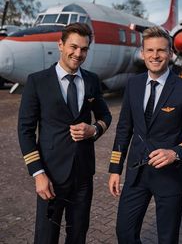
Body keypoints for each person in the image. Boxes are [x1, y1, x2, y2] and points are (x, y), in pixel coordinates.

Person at [108, 26, 182, 244]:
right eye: (150, 50)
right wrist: (115, 169)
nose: (155, 56)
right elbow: (124, 129)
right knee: (124, 233)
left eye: (161, 50)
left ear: (170, 54)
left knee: (167, 238)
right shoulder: (133, 85)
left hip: (169, 175)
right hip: (136, 174)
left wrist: (176, 153)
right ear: (142, 53)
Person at [18, 22, 112, 244]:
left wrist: (94, 129)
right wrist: (37, 173)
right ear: (60, 44)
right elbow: (25, 130)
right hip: (50, 175)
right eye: (73, 46)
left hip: (83, 175)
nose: (78, 54)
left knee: (78, 234)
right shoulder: (37, 81)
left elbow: (105, 116)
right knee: (46, 236)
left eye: (84, 49)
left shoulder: (91, 80)